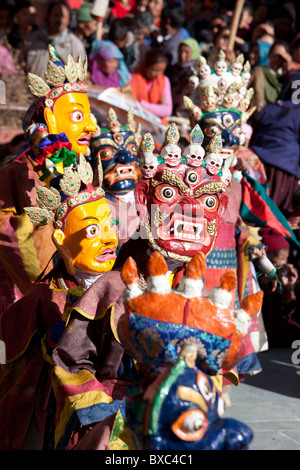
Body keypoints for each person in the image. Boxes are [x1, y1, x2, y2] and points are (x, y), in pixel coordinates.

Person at [22, 0, 86, 78]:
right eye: (56, 15)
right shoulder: (32, 39)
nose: (59, 20)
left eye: (63, 16)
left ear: (69, 20)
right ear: (48, 16)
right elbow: (20, 66)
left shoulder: (75, 45)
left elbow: (79, 75)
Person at [130, 47, 172, 125]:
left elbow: (167, 110)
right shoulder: (131, 78)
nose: (158, 74)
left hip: (157, 125)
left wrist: (143, 105)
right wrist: (157, 108)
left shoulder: (164, 81)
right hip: (136, 123)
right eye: (154, 70)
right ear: (146, 66)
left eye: (162, 70)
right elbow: (129, 105)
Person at [251, 40, 292, 114]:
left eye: (281, 57)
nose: (277, 60)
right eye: (274, 55)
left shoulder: (285, 77)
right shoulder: (259, 72)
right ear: (269, 54)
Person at [169, 38, 200, 117]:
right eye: (180, 51)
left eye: (187, 52)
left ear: (194, 53)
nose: (182, 55)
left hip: (185, 112)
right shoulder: (174, 69)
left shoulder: (196, 72)